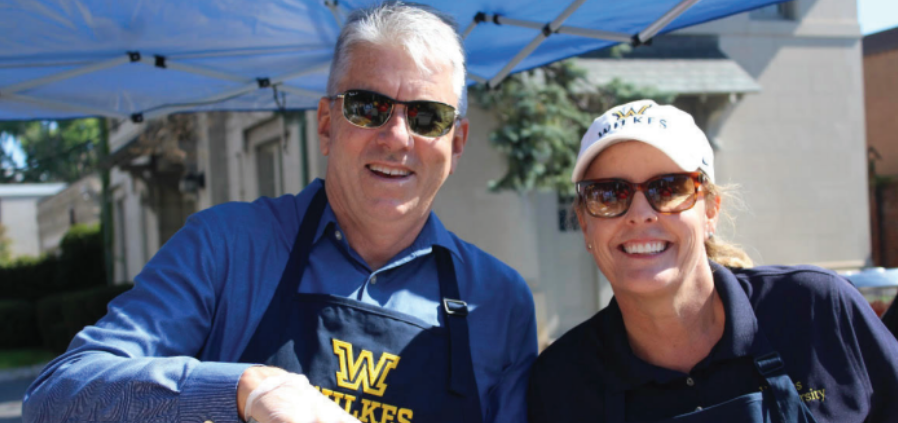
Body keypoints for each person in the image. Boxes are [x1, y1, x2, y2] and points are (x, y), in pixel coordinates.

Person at [23, 3, 537, 423]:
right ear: (325, 124)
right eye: (367, 107)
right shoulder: (225, 246)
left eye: (428, 117)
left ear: (458, 142)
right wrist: (245, 390)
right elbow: (58, 395)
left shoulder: (500, 299)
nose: (397, 137)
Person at [527, 100, 898, 423]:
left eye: (668, 188)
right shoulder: (562, 381)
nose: (639, 214)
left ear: (711, 211)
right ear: (585, 225)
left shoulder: (816, 310)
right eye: (609, 193)